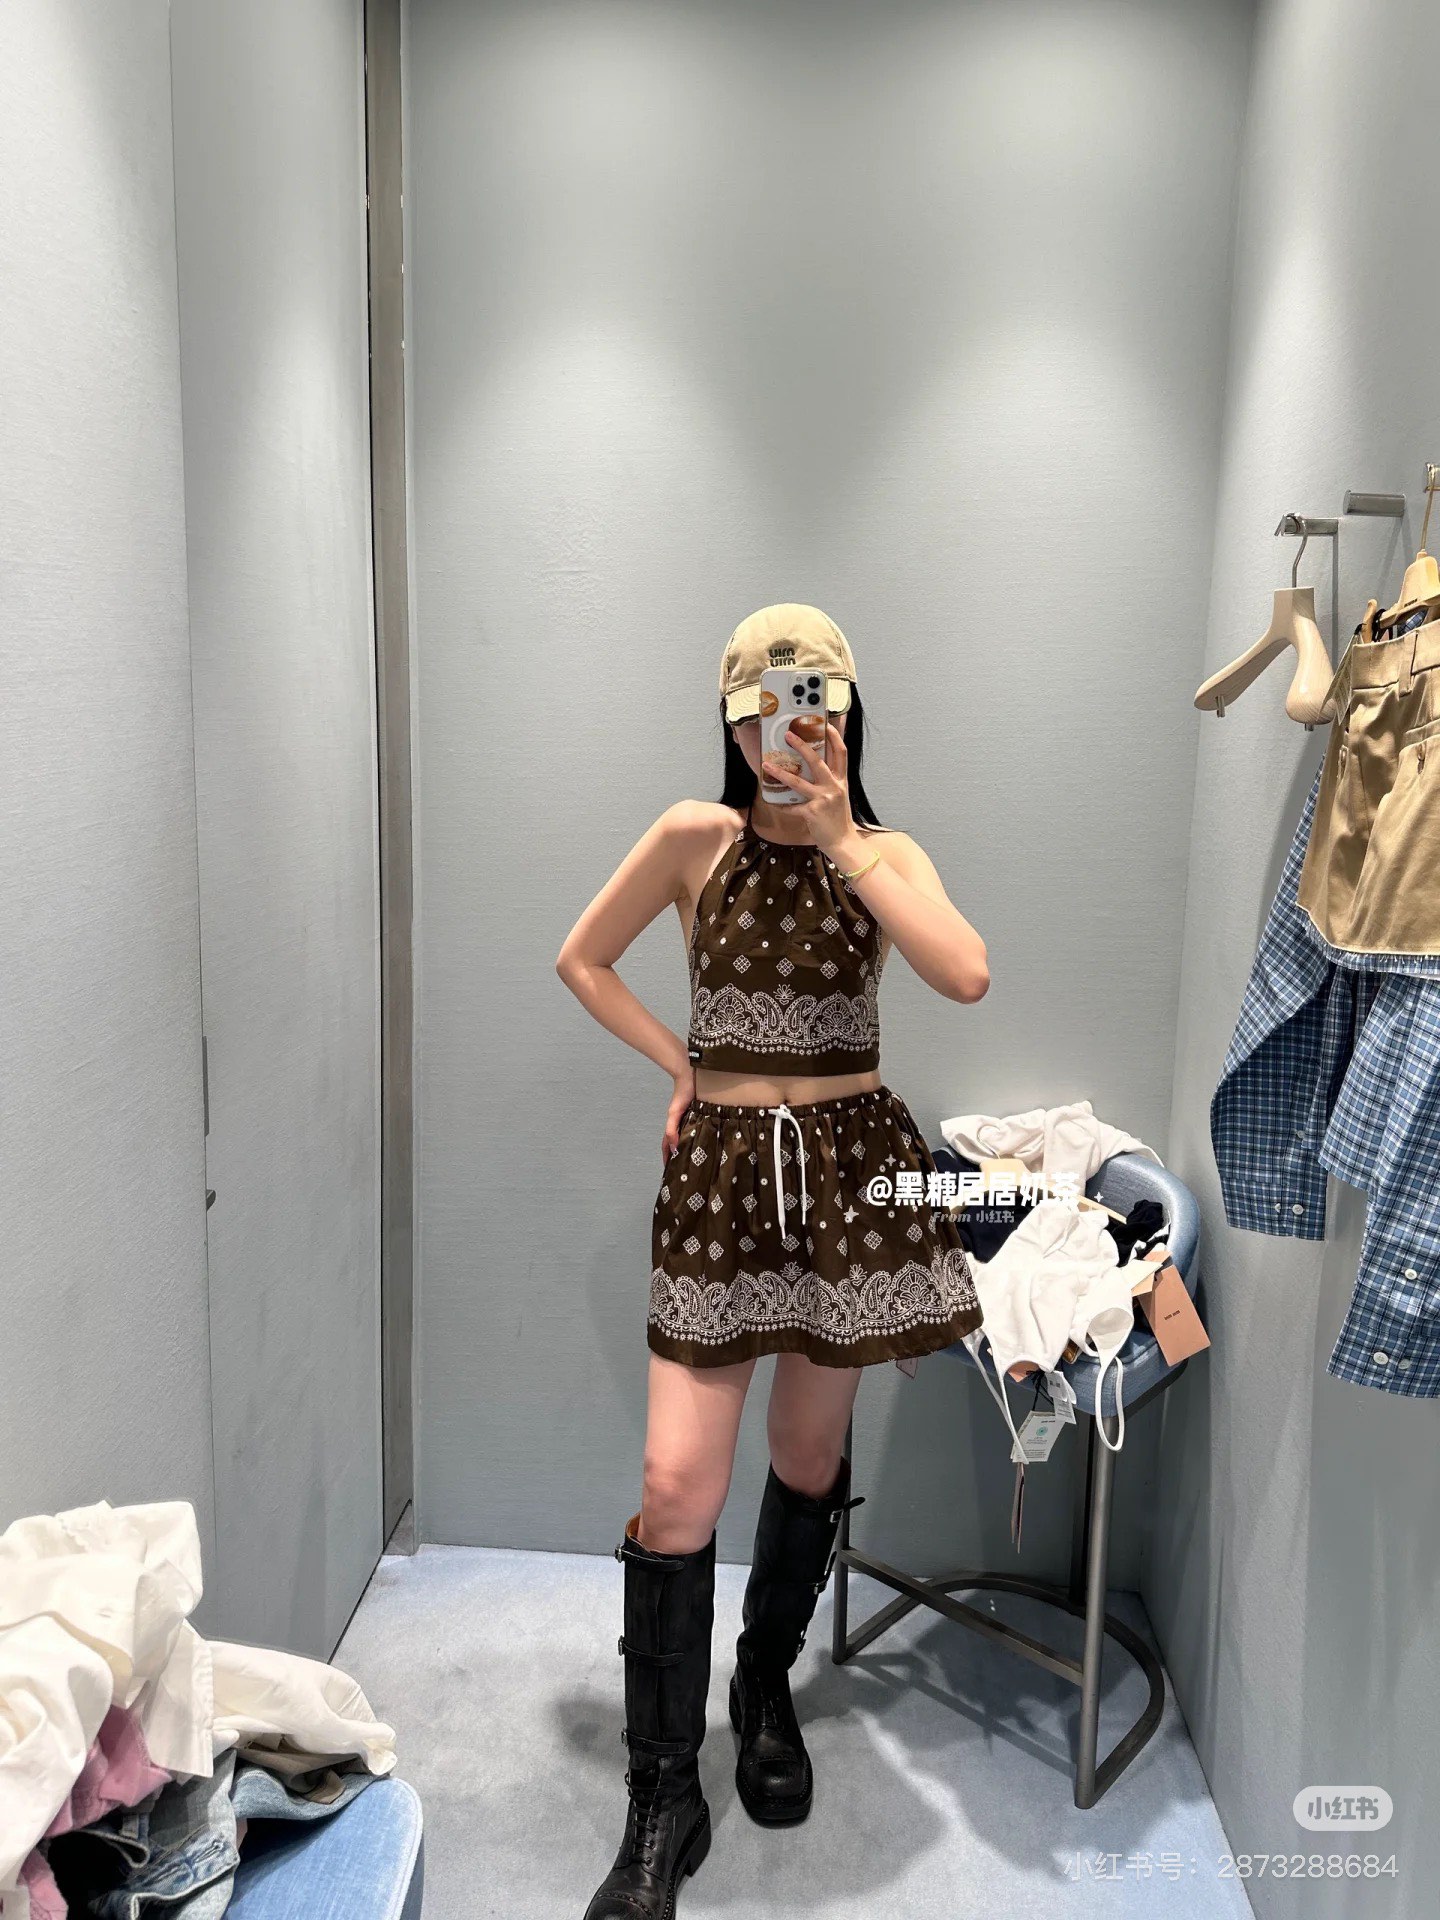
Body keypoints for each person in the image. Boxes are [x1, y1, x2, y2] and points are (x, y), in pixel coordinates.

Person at [556, 604, 989, 1919]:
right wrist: (684, 1065)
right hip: (723, 1183)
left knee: (806, 1459)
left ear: (847, 716)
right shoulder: (695, 839)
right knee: (672, 1483)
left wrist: (848, 838)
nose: (789, 732)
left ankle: (761, 1685)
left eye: (815, 706)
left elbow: (966, 974)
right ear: (734, 720)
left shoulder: (885, 852)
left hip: (847, 1183)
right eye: (764, 710)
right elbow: (582, 958)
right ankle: (662, 1795)